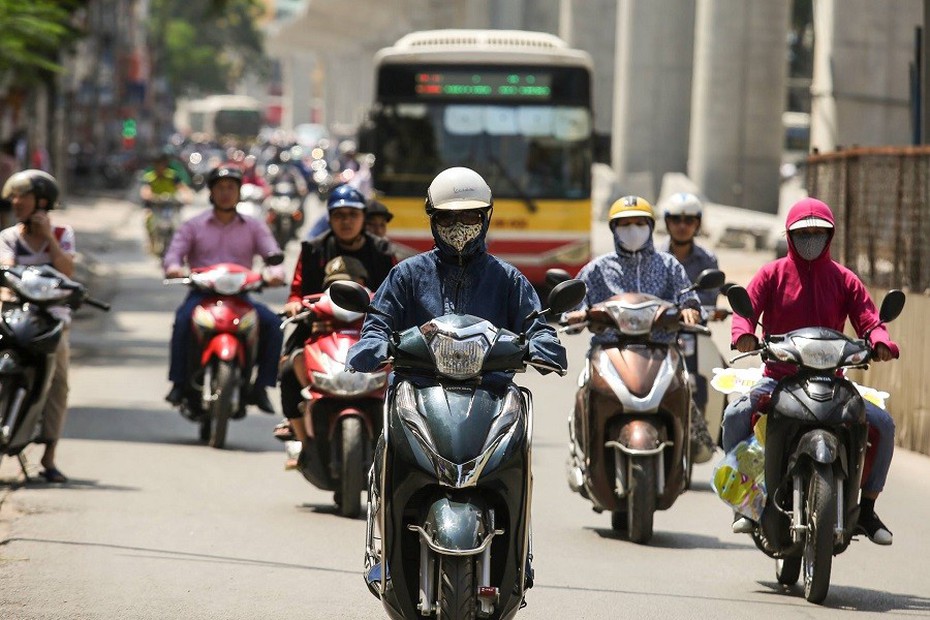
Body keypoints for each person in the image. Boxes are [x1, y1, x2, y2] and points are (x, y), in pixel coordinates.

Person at [723, 197, 899, 544]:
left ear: (830, 235)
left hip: (832, 380)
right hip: (778, 378)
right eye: (804, 233)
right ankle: (745, 501)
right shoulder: (771, 274)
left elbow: (869, 318)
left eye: (820, 232)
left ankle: (867, 508)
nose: (811, 239)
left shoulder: (844, 279)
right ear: (789, 235)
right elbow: (746, 311)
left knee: (883, 425)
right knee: (734, 415)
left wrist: (880, 341)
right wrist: (743, 334)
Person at [347, 165, 566, 377]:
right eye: (446, 217)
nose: (458, 226)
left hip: (492, 390)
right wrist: (374, 344)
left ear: (485, 218)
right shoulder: (406, 275)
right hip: (418, 386)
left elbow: (536, 327)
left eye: (470, 216)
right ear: (433, 219)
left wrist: (541, 344)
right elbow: (378, 324)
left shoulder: (508, 278)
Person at [562, 195, 715, 462]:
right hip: (609, 350)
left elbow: (687, 296)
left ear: (650, 226)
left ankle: (685, 451)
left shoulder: (668, 265)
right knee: (585, 390)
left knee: (685, 388)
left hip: (661, 348)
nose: (632, 230)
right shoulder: (597, 268)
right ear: (613, 229)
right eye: (624, 224)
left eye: (639, 223)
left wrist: (690, 308)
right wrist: (574, 314)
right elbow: (575, 303)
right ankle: (582, 452)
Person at [163, 164, 284, 414]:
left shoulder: (254, 226)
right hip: (202, 294)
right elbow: (174, 256)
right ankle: (179, 383)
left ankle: (261, 386)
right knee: (182, 320)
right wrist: (175, 268)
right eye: (220, 188)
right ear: (210, 192)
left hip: (240, 296)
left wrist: (274, 274)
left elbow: (272, 255)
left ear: (240, 192)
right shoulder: (193, 225)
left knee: (273, 323)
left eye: (231, 188)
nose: (226, 193)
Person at [278, 184, 395, 426]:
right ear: (330, 218)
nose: (346, 221)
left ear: (363, 217)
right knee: (288, 369)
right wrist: (294, 305)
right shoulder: (313, 249)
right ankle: (297, 433)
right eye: (339, 216)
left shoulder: (382, 251)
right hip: (320, 325)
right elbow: (297, 292)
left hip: (372, 329)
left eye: (353, 215)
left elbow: (396, 292)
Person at [0, 170, 76, 482]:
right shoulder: (7, 237)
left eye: (24, 197)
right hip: (13, 316)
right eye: (14, 197)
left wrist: (47, 239)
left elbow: (68, 270)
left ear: (42, 202)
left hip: (53, 320)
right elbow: (5, 271)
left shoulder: (62, 234)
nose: (16, 202)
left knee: (58, 385)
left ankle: (49, 456)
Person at [276, 255, 370, 466]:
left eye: (351, 282)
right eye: (336, 284)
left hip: (369, 367)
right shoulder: (317, 309)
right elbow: (296, 307)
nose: (344, 289)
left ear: (363, 284)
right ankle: (301, 441)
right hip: (325, 361)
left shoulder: (377, 306)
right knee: (289, 367)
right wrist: (298, 310)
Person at [656, 192, 721, 455]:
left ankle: (719, 438)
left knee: (723, 381)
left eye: (689, 220)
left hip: (696, 334)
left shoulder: (708, 260)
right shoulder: (655, 256)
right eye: (676, 219)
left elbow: (710, 297)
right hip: (656, 334)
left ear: (697, 223)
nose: (682, 225)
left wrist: (701, 311)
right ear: (667, 222)